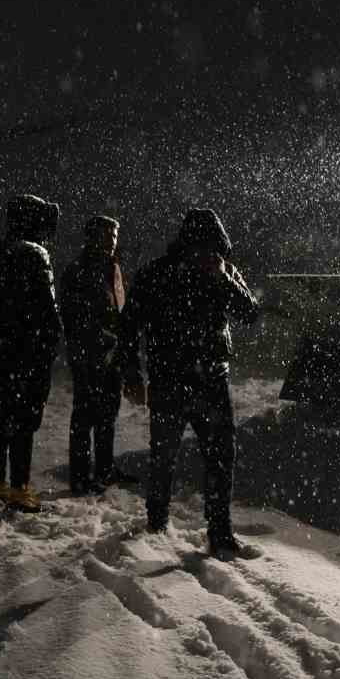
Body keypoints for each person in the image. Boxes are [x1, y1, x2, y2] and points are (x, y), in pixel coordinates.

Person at [121, 208, 260, 560]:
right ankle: (157, 520)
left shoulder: (222, 271)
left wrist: (222, 279)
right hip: (169, 378)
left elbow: (250, 314)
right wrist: (133, 377)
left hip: (212, 379)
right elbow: (129, 327)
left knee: (220, 458)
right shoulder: (157, 273)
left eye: (212, 247)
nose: (206, 253)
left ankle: (220, 532)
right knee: (164, 455)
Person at [0, 194, 63, 512]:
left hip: (3, 354)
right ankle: (20, 488)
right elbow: (47, 310)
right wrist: (49, 346)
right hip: (29, 354)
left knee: (2, 418)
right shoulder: (35, 254)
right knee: (25, 421)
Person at [58, 215, 135, 495]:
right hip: (90, 355)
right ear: (93, 236)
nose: (112, 241)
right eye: (108, 235)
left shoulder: (110, 267)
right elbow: (75, 316)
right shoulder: (80, 270)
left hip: (110, 354)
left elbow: (116, 309)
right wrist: (100, 341)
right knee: (86, 416)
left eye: (114, 235)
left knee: (107, 414)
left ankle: (104, 468)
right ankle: (80, 476)